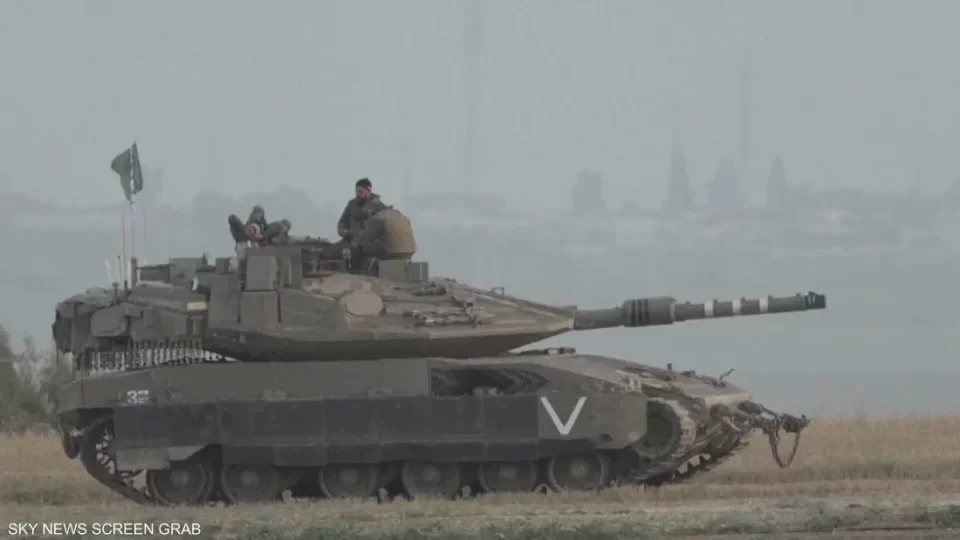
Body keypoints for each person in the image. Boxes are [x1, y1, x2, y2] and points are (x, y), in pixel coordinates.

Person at [351, 200, 417, 261]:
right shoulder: (399, 214)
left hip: (393, 252)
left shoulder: (379, 217)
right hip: (410, 249)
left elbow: (365, 239)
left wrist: (367, 226)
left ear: (371, 212)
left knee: (363, 243)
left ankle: (373, 265)